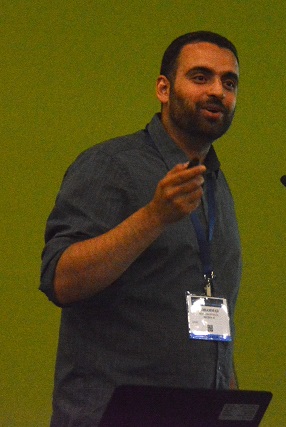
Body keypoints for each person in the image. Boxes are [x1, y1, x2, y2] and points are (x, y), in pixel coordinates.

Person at [40, 31, 242, 426]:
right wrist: (152, 217)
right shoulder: (111, 166)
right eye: (200, 77)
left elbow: (212, 318)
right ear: (163, 89)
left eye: (229, 82)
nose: (217, 90)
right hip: (112, 416)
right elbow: (60, 279)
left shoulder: (216, 184)